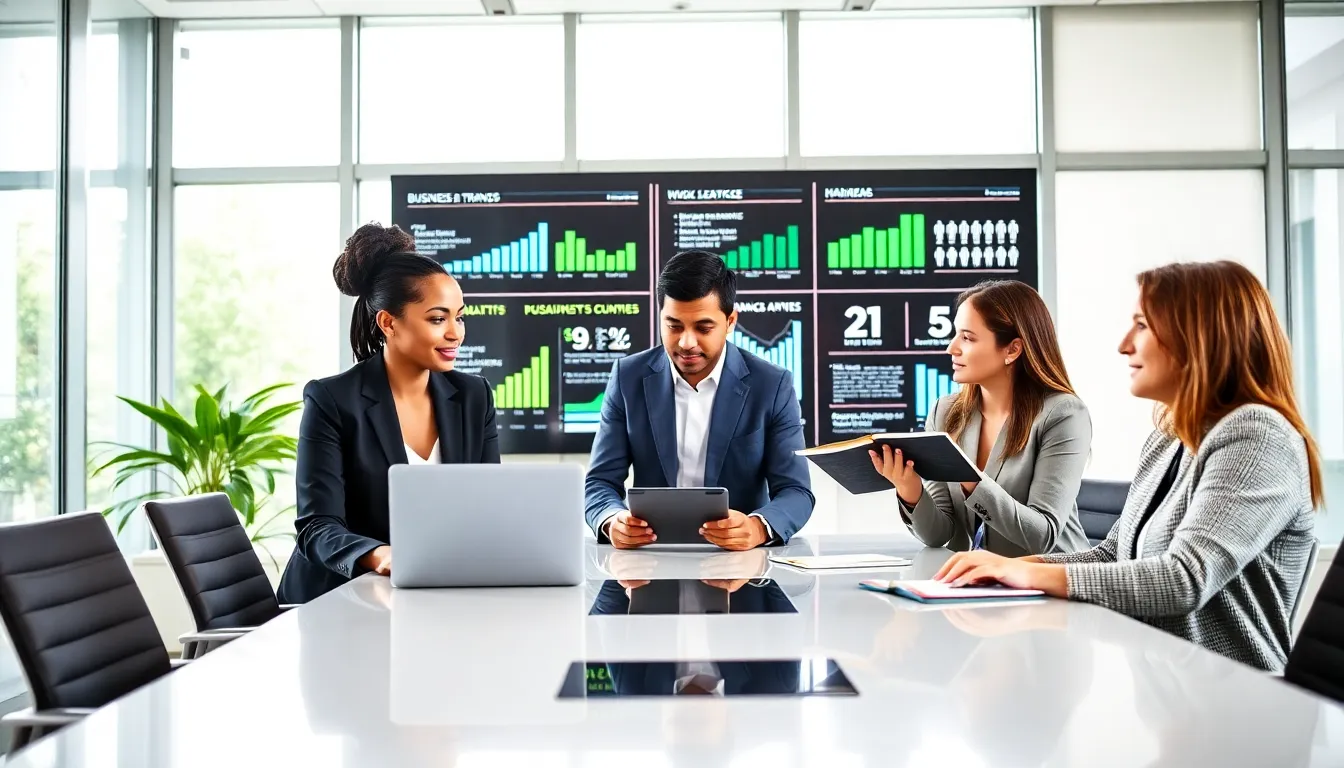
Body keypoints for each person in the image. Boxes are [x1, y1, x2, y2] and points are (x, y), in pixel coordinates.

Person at [935, 260, 1320, 672]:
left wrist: (1030, 577)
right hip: (1167, 685)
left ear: (1199, 337)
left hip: (1234, 697)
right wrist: (1011, 568)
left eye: (1141, 325)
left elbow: (1183, 579)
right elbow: (1114, 553)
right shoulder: (1169, 435)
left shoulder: (1257, 435)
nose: (1123, 344)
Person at [277, 223, 500, 603]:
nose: (455, 333)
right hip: (336, 601)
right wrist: (380, 555)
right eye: (437, 318)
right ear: (388, 322)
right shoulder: (331, 400)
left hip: (430, 598)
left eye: (459, 317)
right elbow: (317, 527)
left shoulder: (473, 396)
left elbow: (488, 507)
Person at [585, 249, 814, 550]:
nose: (686, 342)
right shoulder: (628, 378)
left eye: (703, 328)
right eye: (674, 326)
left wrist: (758, 528)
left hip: (739, 563)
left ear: (731, 321)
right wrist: (611, 519)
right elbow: (600, 483)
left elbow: (797, 491)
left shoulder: (772, 385)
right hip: (650, 557)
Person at [870, 280, 1091, 556]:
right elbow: (941, 534)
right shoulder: (945, 413)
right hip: (986, 583)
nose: (951, 348)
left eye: (968, 337)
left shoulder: (1063, 415)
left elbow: (1041, 536)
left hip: (1053, 583)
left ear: (1012, 349)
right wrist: (909, 488)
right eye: (955, 335)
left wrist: (970, 479)